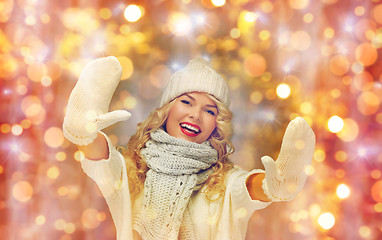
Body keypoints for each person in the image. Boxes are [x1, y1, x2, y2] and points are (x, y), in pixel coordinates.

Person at [63, 56, 316, 240]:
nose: (196, 115)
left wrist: (274, 186)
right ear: (167, 109)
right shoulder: (132, 171)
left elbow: (248, 188)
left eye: (209, 110)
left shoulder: (223, 181)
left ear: (217, 124)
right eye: (187, 102)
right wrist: (82, 131)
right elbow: (100, 158)